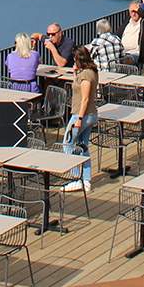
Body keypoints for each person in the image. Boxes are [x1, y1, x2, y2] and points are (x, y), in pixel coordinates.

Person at [61, 48, 99, 193]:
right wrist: (75, 72)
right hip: (89, 114)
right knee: (83, 146)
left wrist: (79, 119)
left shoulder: (86, 76)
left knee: (67, 144)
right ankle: (86, 180)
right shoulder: (91, 71)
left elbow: (85, 98)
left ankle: (77, 178)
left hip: (81, 115)